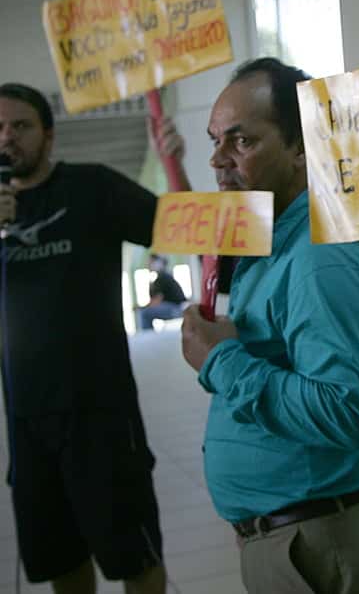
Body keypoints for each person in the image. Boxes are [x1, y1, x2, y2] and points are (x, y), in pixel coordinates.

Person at [177, 58, 359, 593]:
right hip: (298, 534)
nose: (218, 160)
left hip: (327, 541)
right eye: (215, 140)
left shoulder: (318, 253)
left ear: (302, 148)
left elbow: (346, 409)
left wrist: (221, 361)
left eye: (241, 142)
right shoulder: (274, 236)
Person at [0, 83, 180, 593]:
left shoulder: (93, 188)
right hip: (27, 425)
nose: (6, 138)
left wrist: (174, 165)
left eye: (20, 125)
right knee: (60, 561)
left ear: (49, 135)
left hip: (100, 416)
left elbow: (181, 228)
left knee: (136, 557)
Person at [138, 254, 186, 330]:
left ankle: (147, 337)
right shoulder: (162, 276)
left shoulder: (162, 277)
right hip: (177, 308)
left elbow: (156, 301)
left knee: (144, 313)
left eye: (150, 262)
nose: (148, 265)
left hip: (176, 309)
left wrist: (142, 307)